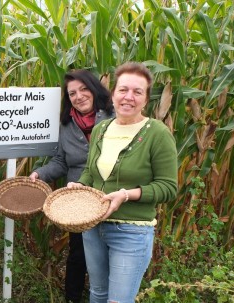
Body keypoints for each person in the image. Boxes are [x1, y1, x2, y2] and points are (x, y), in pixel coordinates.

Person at [67, 62, 178, 303]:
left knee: (118, 300)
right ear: (113, 94)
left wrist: (126, 195)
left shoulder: (157, 134)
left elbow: (168, 187)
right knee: (98, 293)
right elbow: (90, 171)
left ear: (146, 99)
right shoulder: (101, 128)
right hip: (93, 226)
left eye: (137, 92)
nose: (129, 97)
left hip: (131, 231)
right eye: (123, 90)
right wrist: (80, 186)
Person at [29, 69, 114, 303]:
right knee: (78, 255)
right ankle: (73, 297)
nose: (79, 96)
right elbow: (60, 161)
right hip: (78, 203)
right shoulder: (66, 125)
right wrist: (40, 173)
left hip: (112, 197)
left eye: (84, 89)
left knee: (111, 253)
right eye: (73, 93)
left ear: (95, 89)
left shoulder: (114, 117)